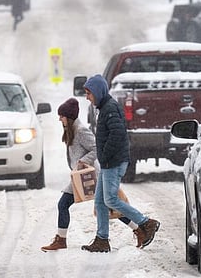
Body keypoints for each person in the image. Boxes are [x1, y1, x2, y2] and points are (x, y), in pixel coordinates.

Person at [41, 98, 143, 252]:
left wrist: (83, 160)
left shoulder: (81, 131)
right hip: (80, 175)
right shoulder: (71, 131)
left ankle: (61, 240)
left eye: (61, 116)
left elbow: (96, 148)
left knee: (69, 204)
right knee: (107, 205)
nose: (59, 119)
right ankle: (137, 229)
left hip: (90, 175)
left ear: (68, 117)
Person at [81, 74, 160, 253]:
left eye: (89, 93)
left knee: (110, 199)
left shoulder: (109, 108)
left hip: (113, 162)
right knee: (100, 202)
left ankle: (146, 223)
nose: (87, 97)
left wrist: (106, 156)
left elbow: (117, 135)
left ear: (98, 92)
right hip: (109, 161)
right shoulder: (105, 107)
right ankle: (102, 239)